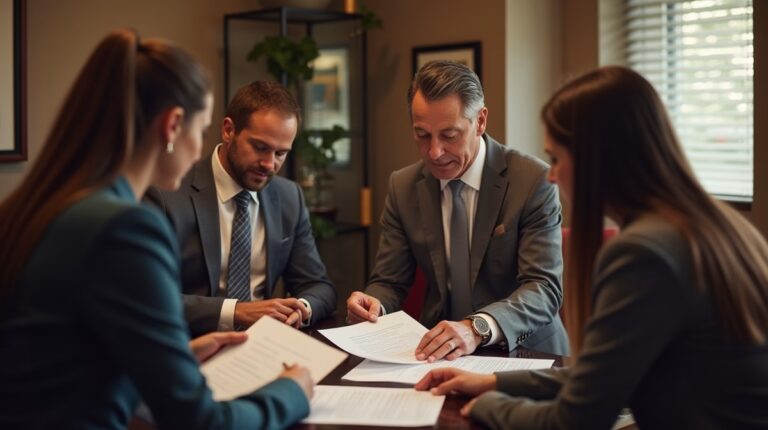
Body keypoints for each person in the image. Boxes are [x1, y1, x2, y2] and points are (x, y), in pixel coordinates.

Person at [415, 66, 768, 429]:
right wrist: (494, 382)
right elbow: (606, 375)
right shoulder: (716, 225)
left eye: (556, 158)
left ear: (596, 156)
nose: (551, 175)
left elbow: (574, 420)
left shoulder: (644, 253)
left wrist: (484, 406)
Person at [0, 29, 313, 429]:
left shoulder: (47, 205)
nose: (200, 150)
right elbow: (200, 422)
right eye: (199, 132)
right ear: (172, 126)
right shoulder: (125, 228)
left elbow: (66, 366)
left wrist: (175, 355)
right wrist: (291, 390)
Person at [347, 60, 568, 361]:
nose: (434, 152)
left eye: (449, 135)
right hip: (442, 355)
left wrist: (477, 328)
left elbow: (543, 289)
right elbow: (389, 281)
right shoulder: (403, 186)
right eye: (422, 135)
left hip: (525, 352)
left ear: (480, 121)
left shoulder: (532, 181)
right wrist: (374, 304)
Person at [146, 80, 336, 337]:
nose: (269, 164)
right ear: (228, 130)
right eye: (260, 147)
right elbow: (148, 296)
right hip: (190, 345)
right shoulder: (167, 193)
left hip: (264, 346)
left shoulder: (289, 196)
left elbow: (318, 286)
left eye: (281, 153)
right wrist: (236, 312)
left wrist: (300, 308)